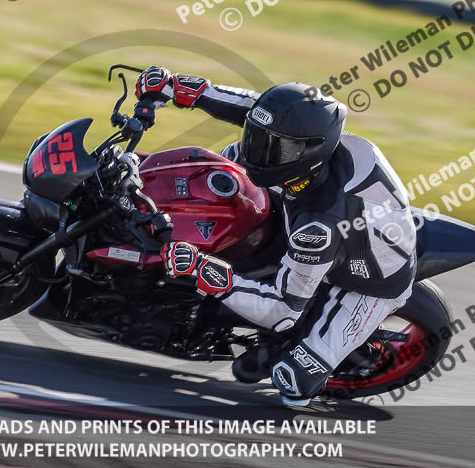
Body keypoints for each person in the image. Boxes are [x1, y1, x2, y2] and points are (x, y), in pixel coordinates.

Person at [135, 66, 417, 406]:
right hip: (326, 213)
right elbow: (256, 110)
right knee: (220, 177)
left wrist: (204, 271)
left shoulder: (318, 227)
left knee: (294, 383)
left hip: (365, 282)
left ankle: (305, 353)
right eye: (255, 138)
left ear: (308, 152)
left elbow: (282, 309)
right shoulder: (304, 142)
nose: (255, 151)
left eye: (272, 149)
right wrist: (177, 87)